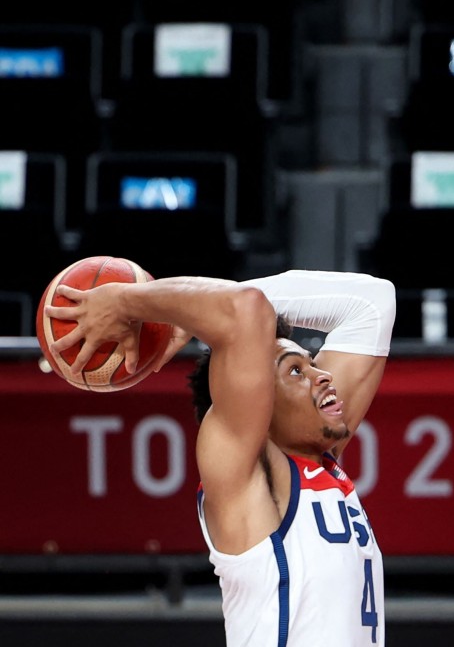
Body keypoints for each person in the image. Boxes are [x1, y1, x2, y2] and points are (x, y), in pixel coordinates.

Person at [45, 268, 396, 647]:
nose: (323, 375)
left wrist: (184, 315)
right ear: (261, 407)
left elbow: (373, 304)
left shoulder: (317, 461)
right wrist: (123, 300)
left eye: (312, 363)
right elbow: (247, 309)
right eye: (296, 371)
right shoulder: (252, 479)